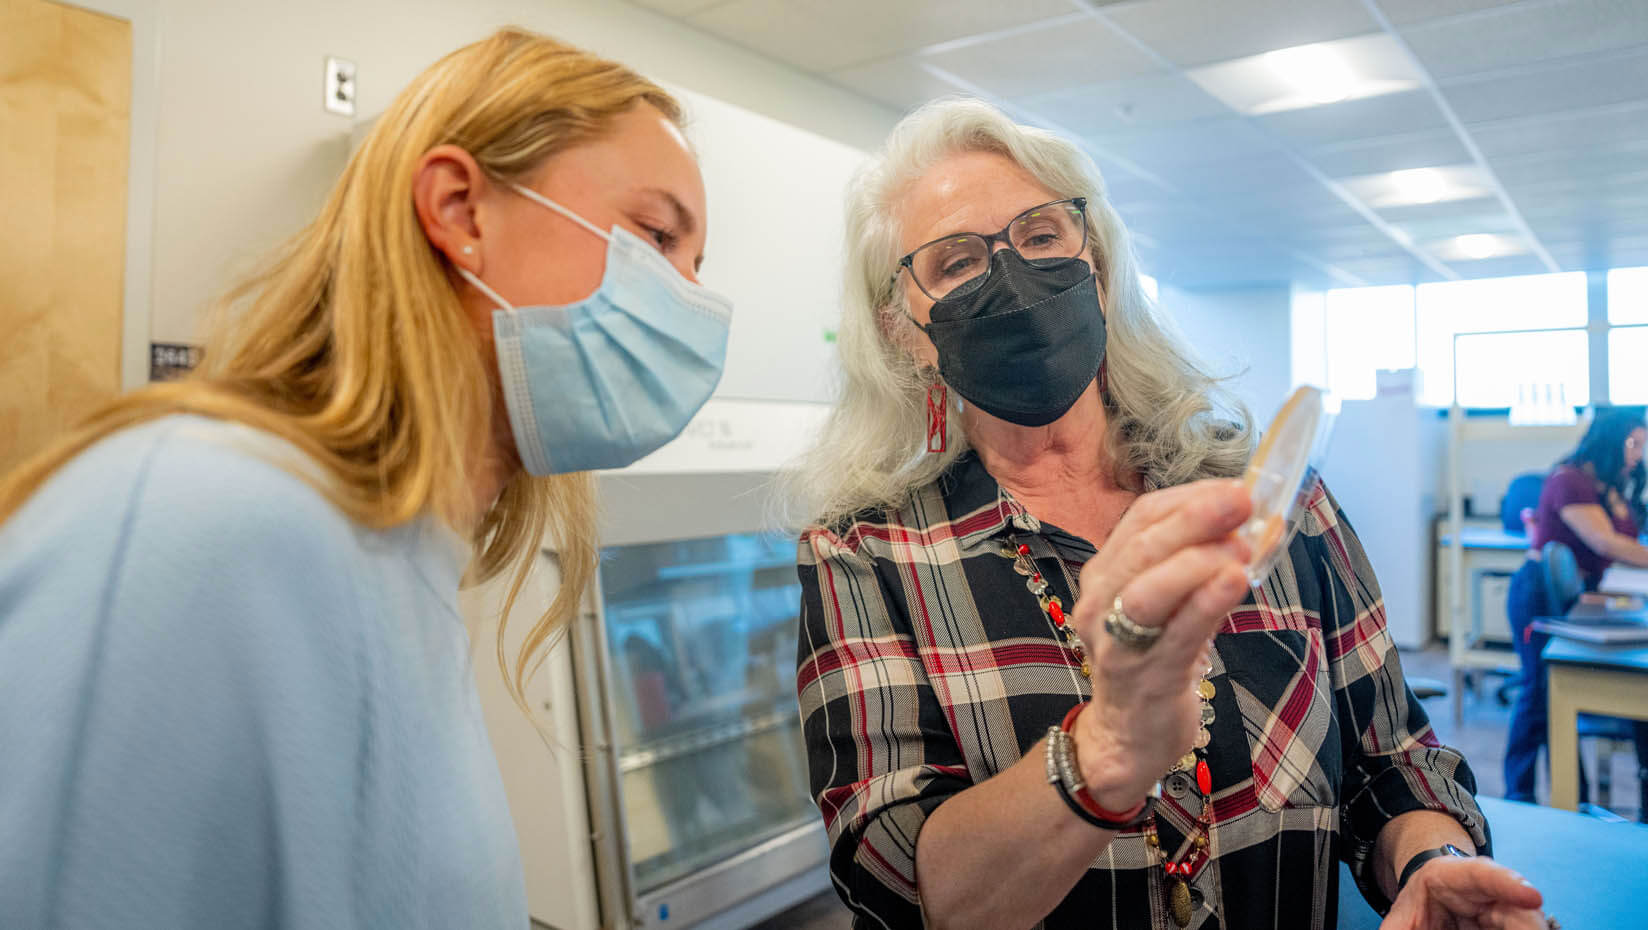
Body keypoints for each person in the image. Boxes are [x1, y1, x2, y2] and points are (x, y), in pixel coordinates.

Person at [0, 28, 729, 929]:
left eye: (697, 266)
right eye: (657, 236)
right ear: (461, 210)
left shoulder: (405, 555)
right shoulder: (205, 520)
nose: (689, 299)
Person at [787, 99, 1552, 930]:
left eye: (1041, 236)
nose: (1011, 276)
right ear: (907, 332)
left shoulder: (1270, 500)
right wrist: (1102, 753)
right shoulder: (864, 554)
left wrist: (1431, 861)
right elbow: (897, 877)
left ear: (1102, 270)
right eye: (957, 263)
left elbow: (1393, 759)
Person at [1503, 407, 1648, 812]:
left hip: (1578, 595)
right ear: (1609, 440)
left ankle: (1576, 793)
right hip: (1536, 594)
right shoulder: (1569, 481)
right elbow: (1607, 544)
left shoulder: (1605, 485)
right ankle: (1519, 794)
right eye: (1632, 443)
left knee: (1545, 693)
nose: (1638, 454)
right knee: (1537, 692)